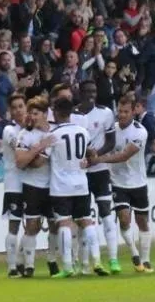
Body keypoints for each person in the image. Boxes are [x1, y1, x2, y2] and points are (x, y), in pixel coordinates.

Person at [89, 94, 154, 273]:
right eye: (120, 111)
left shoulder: (140, 131)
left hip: (138, 182)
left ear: (133, 111)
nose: (122, 114)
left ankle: (146, 259)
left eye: (126, 111)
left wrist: (99, 159)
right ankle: (134, 255)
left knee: (142, 222)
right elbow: (102, 144)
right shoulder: (112, 130)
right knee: (124, 219)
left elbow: (124, 155)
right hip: (118, 183)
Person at [47, 97, 107, 278]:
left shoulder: (53, 134)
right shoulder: (83, 131)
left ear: (56, 113)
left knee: (64, 222)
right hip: (81, 183)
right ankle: (96, 260)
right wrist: (87, 162)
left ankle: (67, 266)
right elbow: (92, 154)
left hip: (60, 185)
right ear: (71, 113)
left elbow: (43, 158)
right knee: (86, 220)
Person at [71, 79, 120, 273]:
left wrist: (96, 157)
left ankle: (114, 259)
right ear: (80, 93)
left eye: (94, 90)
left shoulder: (106, 113)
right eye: (87, 91)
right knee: (81, 218)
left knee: (106, 214)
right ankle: (82, 263)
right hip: (80, 173)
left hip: (99, 170)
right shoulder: (73, 114)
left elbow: (111, 141)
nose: (91, 94)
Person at [15, 96, 58, 278]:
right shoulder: (25, 135)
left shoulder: (56, 132)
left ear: (45, 114)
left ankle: (52, 260)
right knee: (32, 226)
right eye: (30, 113)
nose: (32, 117)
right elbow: (21, 162)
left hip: (53, 186)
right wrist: (40, 147)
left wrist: (33, 156)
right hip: (32, 185)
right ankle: (29, 265)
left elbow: (36, 161)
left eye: (36, 113)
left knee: (54, 224)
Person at [1, 93, 27, 277]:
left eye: (21, 106)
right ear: (10, 111)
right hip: (14, 183)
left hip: (30, 182)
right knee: (14, 224)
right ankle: (11, 266)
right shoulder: (9, 130)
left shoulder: (32, 130)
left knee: (32, 224)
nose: (18, 110)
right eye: (15, 107)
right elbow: (20, 151)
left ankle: (20, 259)